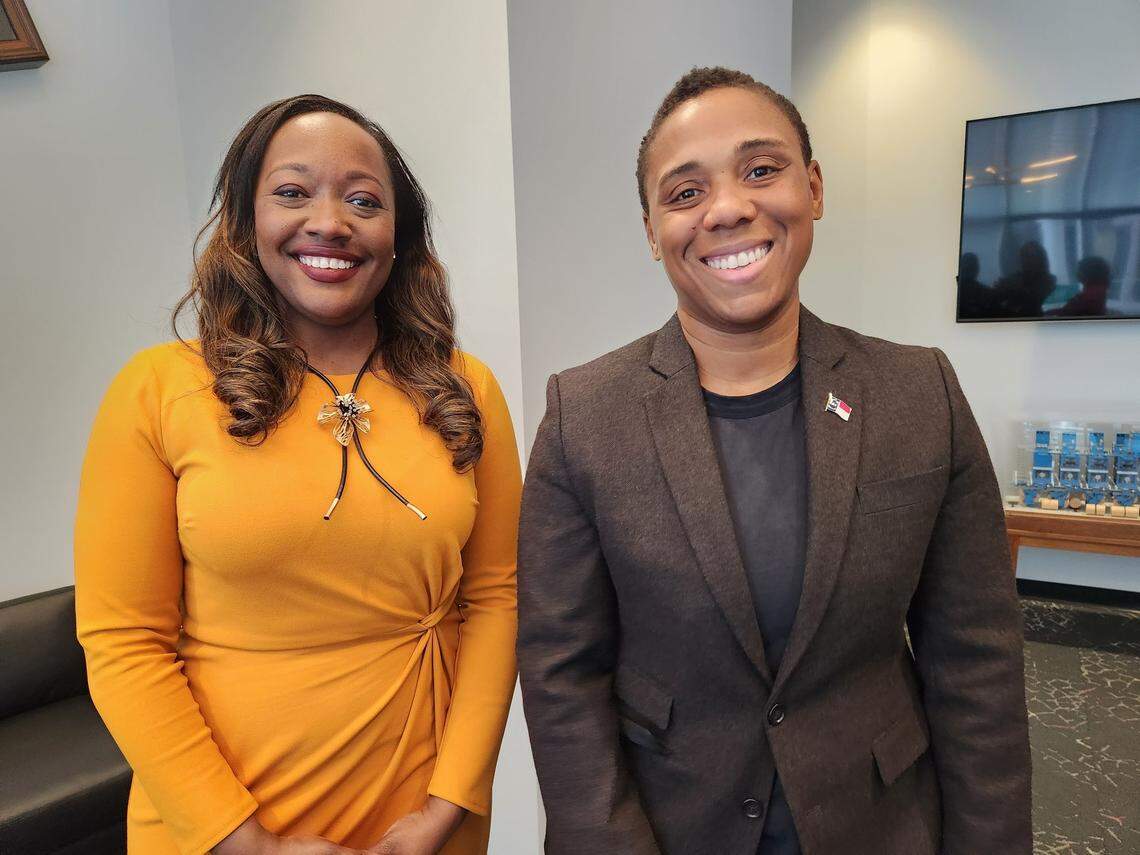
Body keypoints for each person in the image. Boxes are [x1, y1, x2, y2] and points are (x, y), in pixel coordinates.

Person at [517, 67, 1031, 855]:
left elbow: (977, 662)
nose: (728, 208)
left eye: (762, 170)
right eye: (684, 193)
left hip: (881, 821)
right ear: (653, 231)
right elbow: (561, 677)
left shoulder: (918, 391)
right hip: (670, 824)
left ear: (814, 187)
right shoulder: (584, 416)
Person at [75, 95, 521, 855]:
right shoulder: (155, 390)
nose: (330, 222)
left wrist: (449, 805)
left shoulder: (464, 388)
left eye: (363, 200)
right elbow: (124, 643)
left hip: (423, 824)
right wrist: (249, 844)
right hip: (217, 833)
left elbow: (498, 597)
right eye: (292, 191)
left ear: (398, 234)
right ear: (244, 224)